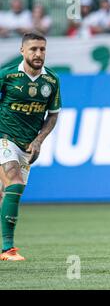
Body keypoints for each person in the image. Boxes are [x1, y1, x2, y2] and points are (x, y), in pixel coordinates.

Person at [0, 32, 61, 261]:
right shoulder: (7, 75)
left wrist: (38, 140)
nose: (38, 54)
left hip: (28, 145)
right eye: (33, 49)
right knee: (14, 183)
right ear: (22, 51)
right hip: (4, 137)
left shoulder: (51, 81)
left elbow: (53, 116)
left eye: (42, 49)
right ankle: (8, 249)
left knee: (9, 193)